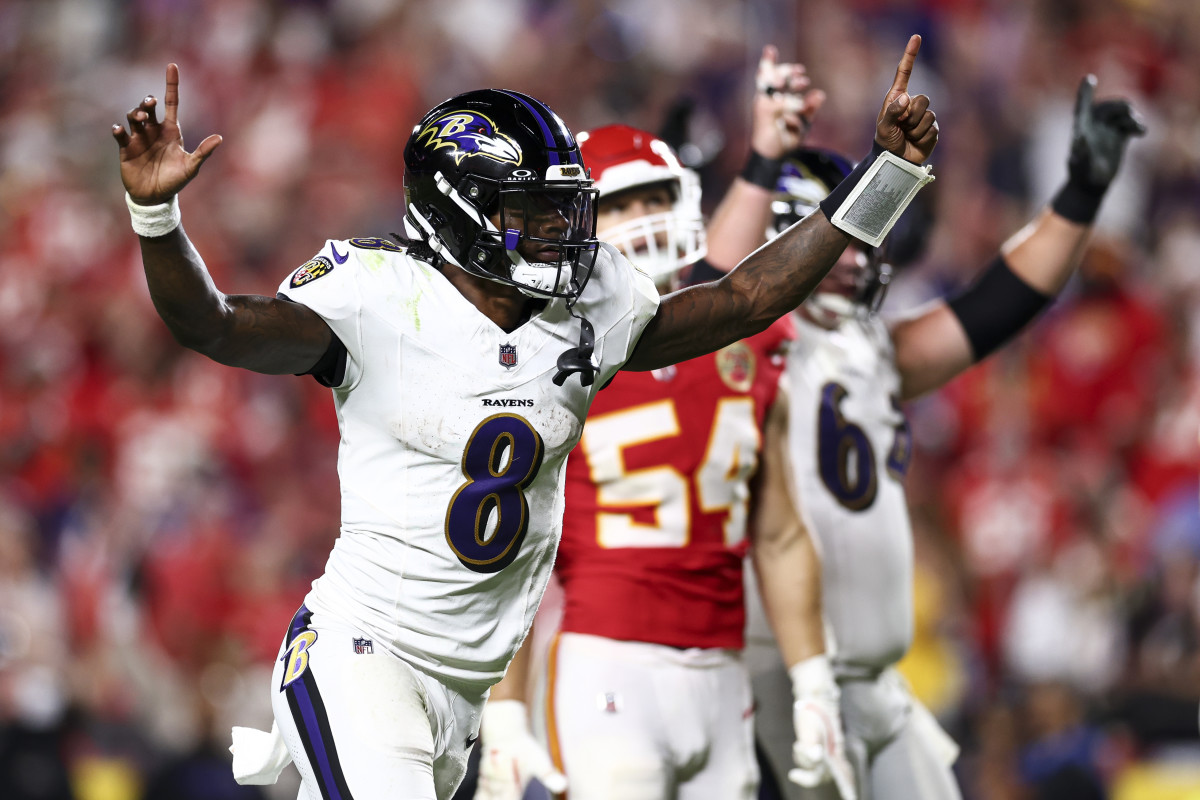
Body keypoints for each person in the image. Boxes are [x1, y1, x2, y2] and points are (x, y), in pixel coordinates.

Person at [110, 34, 937, 800]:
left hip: (465, 691)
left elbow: (744, 299)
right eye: (528, 213)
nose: (557, 232)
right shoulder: (376, 300)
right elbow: (211, 322)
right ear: (456, 210)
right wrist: (157, 218)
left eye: (558, 209)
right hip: (365, 658)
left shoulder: (589, 306)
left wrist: (886, 178)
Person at [723, 76, 1145, 800]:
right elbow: (721, 282)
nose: (857, 256)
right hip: (780, 678)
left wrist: (1078, 193)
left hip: (876, 676)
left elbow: (999, 304)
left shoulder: (870, 348)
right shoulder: (742, 348)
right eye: (839, 234)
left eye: (862, 237)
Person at [471, 48, 855, 800]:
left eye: (652, 198)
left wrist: (815, 684)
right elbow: (513, 557)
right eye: (616, 206)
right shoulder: (549, 357)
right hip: (607, 665)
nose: (641, 221)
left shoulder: (741, 346)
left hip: (723, 673)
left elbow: (777, 532)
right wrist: (506, 715)